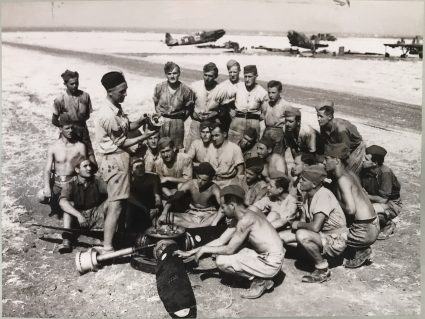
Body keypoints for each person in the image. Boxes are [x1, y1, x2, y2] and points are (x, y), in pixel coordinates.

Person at [175, 185, 284, 299]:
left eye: (223, 207)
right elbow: (221, 240)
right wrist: (191, 252)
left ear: (232, 205)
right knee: (235, 252)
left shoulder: (246, 220)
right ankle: (261, 275)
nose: (221, 210)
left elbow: (229, 249)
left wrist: (204, 250)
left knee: (222, 261)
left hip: (271, 262)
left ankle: (260, 281)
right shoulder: (245, 213)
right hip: (270, 256)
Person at [95, 71, 154, 253]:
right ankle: (107, 246)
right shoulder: (108, 115)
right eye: (122, 91)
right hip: (115, 160)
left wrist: (142, 120)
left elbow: (127, 126)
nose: (125, 94)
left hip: (118, 159)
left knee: (118, 202)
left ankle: (113, 237)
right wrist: (147, 135)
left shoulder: (116, 109)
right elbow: (123, 141)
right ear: (110, 91)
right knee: (116, 205)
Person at [281, 165, 348, 283]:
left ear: (314, 184)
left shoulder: (323, 195)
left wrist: (297, 224)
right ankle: (308, 257)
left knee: (302, 235)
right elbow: (306, 220)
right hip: (322, 235)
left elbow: (315, 226)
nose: (300, 181)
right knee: (281, 237)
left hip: (336, 239)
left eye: (304, 180)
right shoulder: (308, 194)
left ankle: (323, 269)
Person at [323, 143, 379, 268]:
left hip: (363, 231)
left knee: (329, 238)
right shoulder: (349, 173)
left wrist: (334, 199)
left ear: (336, 160)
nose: (323, 162)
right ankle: (359, 248)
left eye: (326, 159)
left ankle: (361, 249)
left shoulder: (343, 179)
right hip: (372, 224)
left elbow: (350, 209)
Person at [37, 117, 88, 217]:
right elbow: (47, 170)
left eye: (72, 128)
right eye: (67, 128)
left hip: (71, 183)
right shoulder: (53, 147)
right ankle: (56, 203)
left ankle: (66, 206)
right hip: (57, 183)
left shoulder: (80, 146)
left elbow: (85, 168)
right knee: (41, 197)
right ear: (60, 129)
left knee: (70, 204)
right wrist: (47, 187)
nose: (71, 131)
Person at [58, 158, 109, 253]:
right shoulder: (70, 184)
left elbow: (112, 194)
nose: (89, 168)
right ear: (77, 170)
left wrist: (102, 207)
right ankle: (67, 240)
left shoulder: (97, 180)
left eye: (89, 165)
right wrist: (79, 215)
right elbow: (62, 202)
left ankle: (106, 238)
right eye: (85, 166)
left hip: (95, 215)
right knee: (68, 206)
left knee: (111, 204)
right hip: (78, 219)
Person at [52, 69, 97, 166]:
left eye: (77, 83)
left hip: (83, 131)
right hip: (69, 133)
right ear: (65, 84)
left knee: (91, 162)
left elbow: (87, 115)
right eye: (71, 84)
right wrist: (66, 128)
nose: (75, 86)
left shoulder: (85, 96)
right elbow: (54, 120)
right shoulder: (60, 99)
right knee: (68, 161)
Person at [158, 162, 222, 228]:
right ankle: (197, 227)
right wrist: (164, 213)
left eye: (204, 180)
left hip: (207, 216)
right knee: (167, 217)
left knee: (217, 215)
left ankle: (194, 226)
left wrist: (216, 220)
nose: (200, 181)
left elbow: (223, 206)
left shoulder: (214, 188)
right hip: (191, 215)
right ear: (196, 175)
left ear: (210, 180)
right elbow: (173, 198)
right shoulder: (190, 184)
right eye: (199, 178)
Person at [361, 145, 402, 240]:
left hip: (391, 204)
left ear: (375, 163)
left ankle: (388, 224)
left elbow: (383, 199)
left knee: (367, 212)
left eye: (366, 159)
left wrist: (365, 196)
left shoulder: (385, 173)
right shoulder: (365, 169)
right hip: (372, 200)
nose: (363, 160)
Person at [316, 100, 365, 175]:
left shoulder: (341, 129)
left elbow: (345, 150)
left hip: (355, 148)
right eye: (317, 116)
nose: (318, 119)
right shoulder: (323, 125)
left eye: (321, 116)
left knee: (348, 173)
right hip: (339, 144)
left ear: (329, 117)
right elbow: (326, 143)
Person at [153, 62, 194, 149]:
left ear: (179, 73)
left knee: (176, 148)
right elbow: (156, 103)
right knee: (161, 147)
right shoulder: (159, 87)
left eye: (175, 73)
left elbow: (188, 109)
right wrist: (160, 115)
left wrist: (179, 119)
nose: (172, 76)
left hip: (177, 123)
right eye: (169, 74)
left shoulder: (186, 90)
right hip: (161, 121)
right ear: (166, 74)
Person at [228, 65, 268, 144]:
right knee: (232, 147)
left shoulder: (262, 92)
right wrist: (229, 109)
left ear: (256, 76)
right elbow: (223, 98)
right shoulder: (237, 87)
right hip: (237, 122)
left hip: (253, 123)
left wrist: (257, 118)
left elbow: (265, 112)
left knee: (252, 148)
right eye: (245, 76)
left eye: (250, 77)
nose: (247, 79)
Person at [186, 62, 223, 148]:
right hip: (197, 122)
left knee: (210, 149)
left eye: (210, 76)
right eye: (205, 75)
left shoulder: (220, 89)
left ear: (215, 76)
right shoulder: (195, 86)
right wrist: (193, 114)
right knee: (191, 147)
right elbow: (188, 103)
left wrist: (214, 113)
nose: (207, 78)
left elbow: (224, 108)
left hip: (212, 123)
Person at [127, 157, 163, 232]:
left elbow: (157, 195)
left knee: (156, 223)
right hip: (136, 205)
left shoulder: (153, 178)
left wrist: (157, 208)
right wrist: (144, 208)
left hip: (150, 203)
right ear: (132, 170)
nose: (140, 169)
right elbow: (130, 198)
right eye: (137, 167)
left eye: (142, 166)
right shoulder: (129, 181)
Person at [204, 122, 244, 188]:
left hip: (228, 183)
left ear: (224, 134)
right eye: (212, 136)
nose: (214, 139)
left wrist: (236, 185)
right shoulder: (211, 146)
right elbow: (206, 165)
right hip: (212, 182)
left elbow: (240, 170)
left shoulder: (235, 148)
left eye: (216, 135)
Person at [261, 80, 289, 154]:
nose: (270, 95)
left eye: (273, 93)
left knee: (276, 158)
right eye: (269, 92)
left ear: (280, 92)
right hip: (266, 132)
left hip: (278, 134)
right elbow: (262, 116)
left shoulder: (285, 105)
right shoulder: (266, 103)